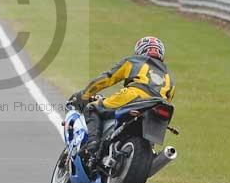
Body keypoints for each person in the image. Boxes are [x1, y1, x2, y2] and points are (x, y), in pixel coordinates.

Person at [70, 36, 175, 167]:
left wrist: (85, 94)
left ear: (140, 51)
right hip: (160, 105)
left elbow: (108, 78)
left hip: (134, 96)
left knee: (92, 108)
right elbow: (169, 98)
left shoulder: (134, 61)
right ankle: (149, 152)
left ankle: (92, 144)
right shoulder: (170, 76)